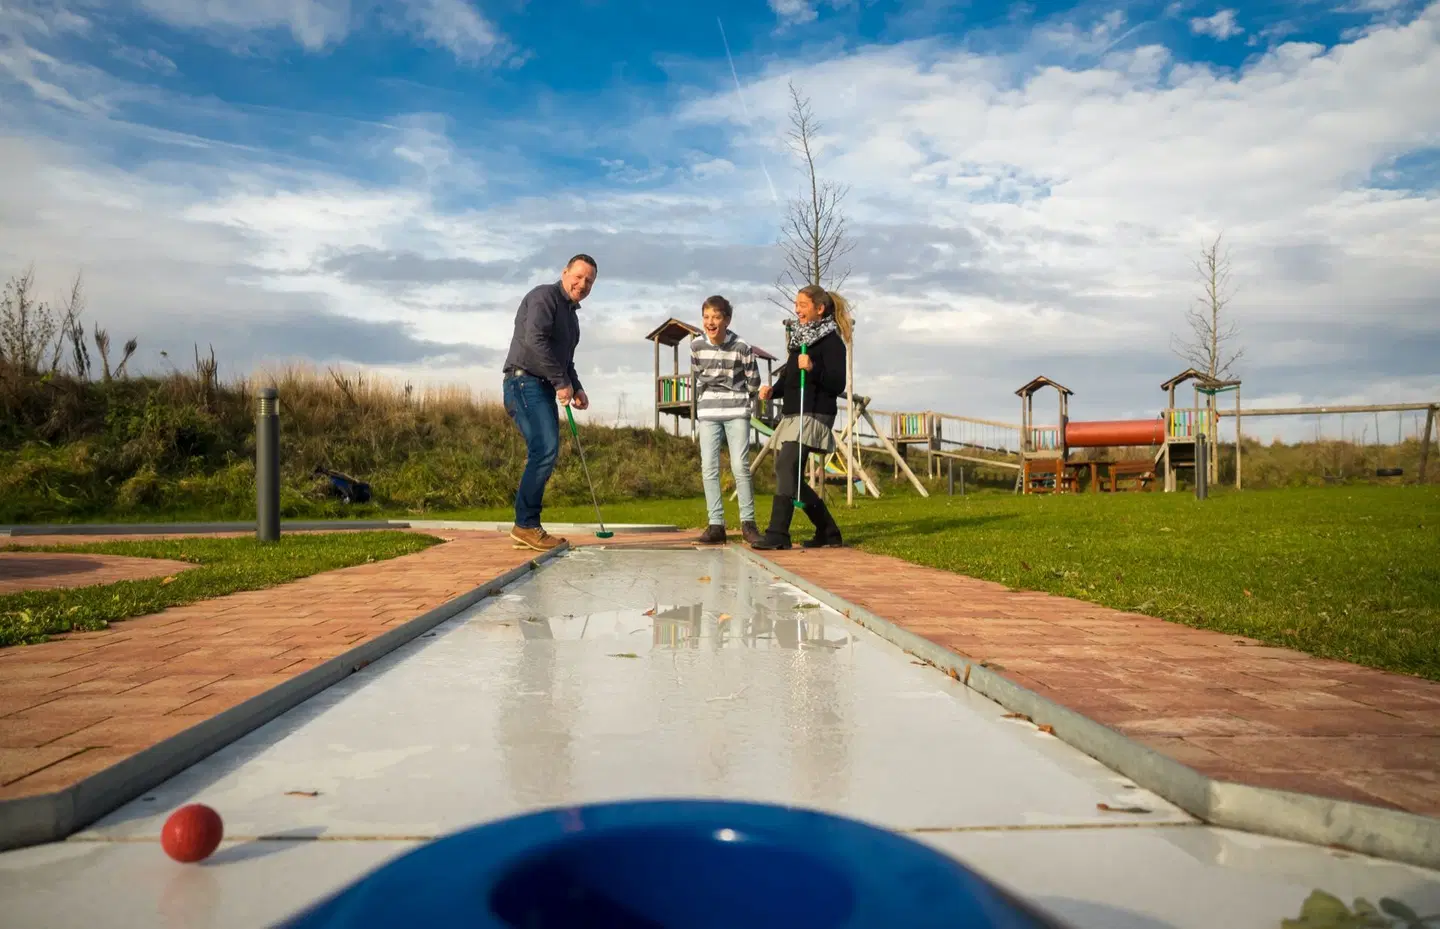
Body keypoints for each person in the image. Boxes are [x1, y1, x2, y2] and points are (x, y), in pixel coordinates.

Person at [501, 254, 597, 552]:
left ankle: (526, 525)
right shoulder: (544, 297)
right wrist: (561, 382)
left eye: (589, 281)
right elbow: (535, 341)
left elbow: (565, 360)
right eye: (578, 276)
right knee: (544, 449)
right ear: (565, 272)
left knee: (546, 450)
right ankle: (526, 525)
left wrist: (575, 386)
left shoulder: (572, 317)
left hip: (542, 386)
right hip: (523, 382)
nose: (582, 284)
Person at [751, 284, 851, 551]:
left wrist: (814, 368)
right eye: (796, 305)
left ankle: (778, 533)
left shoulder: (831, 342)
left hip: (814, 412)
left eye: (803, 305)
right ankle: (828, 531)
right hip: (794, 412)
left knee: (786, 467)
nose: (797, 309)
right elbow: (790, 378)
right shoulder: (799, 340)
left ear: (820, 308)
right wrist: (773, 391)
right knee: (791, 474)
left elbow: (837, 383)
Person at [690, 295, 763, 545]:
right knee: (708, 467)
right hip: (708, 412)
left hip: (736, 411)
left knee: (740, 466)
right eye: (706, 317)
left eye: (716, 317)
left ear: (727, 320)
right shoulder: (696, 346)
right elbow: (698, 376)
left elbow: (754, 381)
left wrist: (739, 395)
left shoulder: (742, 347)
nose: (710, 322)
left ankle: (748, 524)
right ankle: (716, 525)